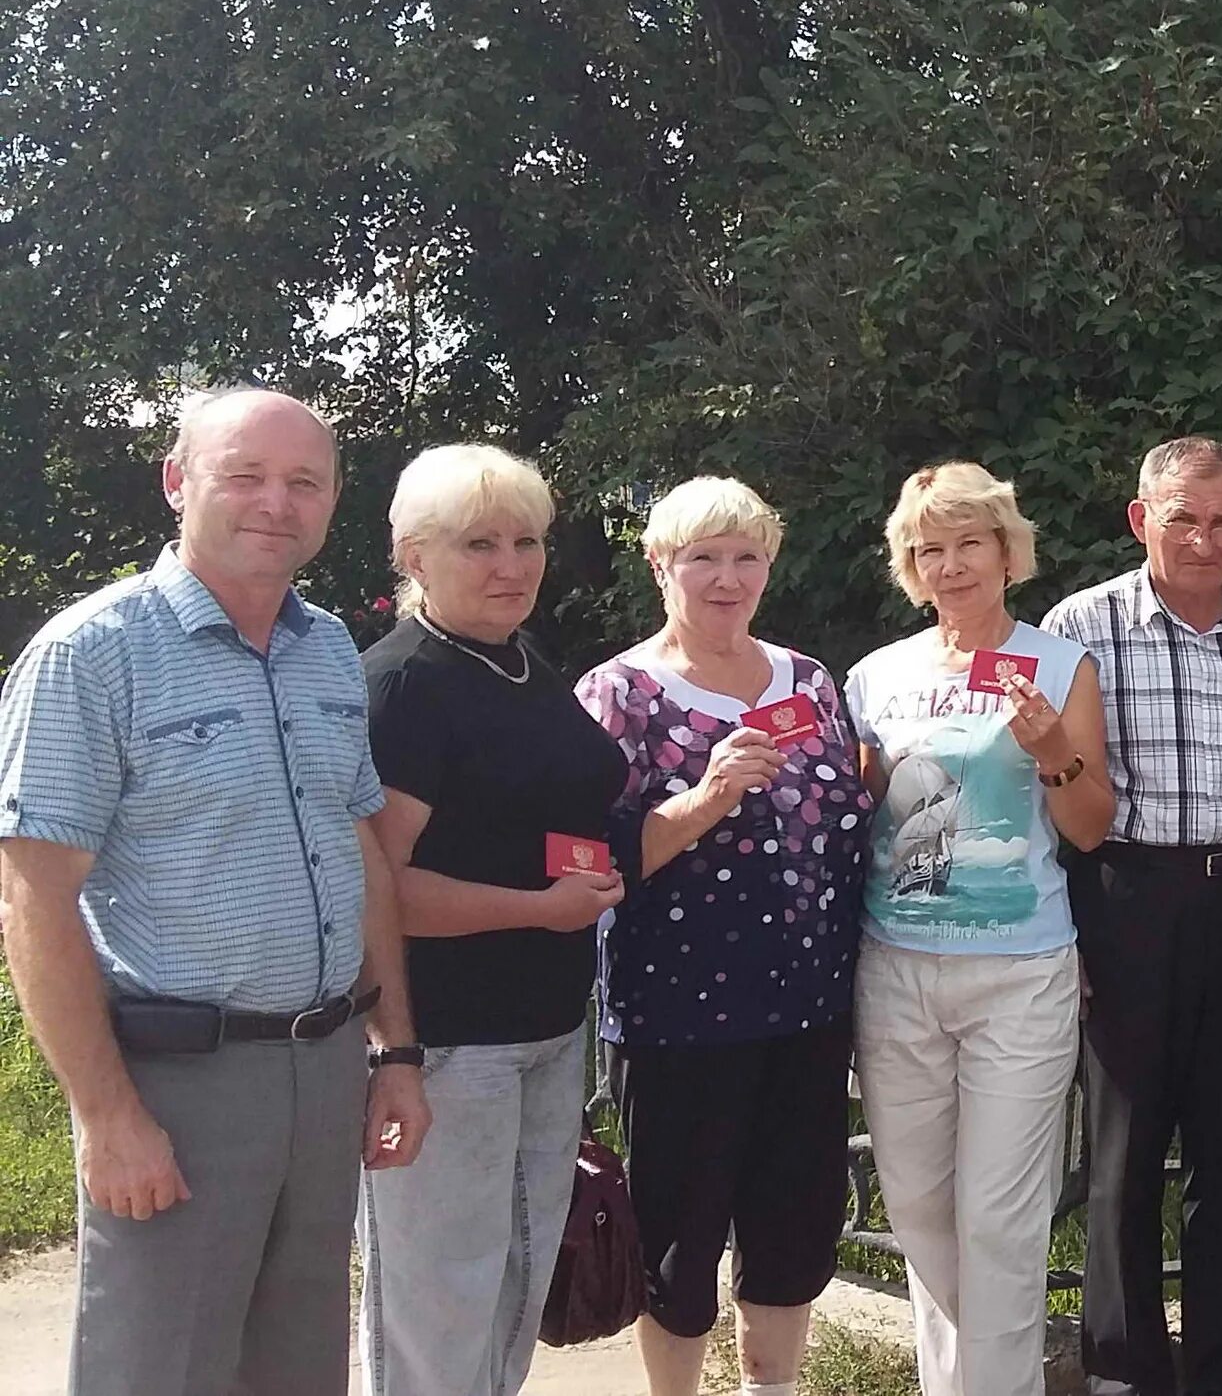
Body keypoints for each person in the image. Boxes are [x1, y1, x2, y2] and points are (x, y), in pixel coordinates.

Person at [0, 386, 427, 1396]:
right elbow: (33, 894)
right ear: (176, 482)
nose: (275, 502)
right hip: (179, 1083)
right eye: (245, 474)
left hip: (323, 1069)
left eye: (303, 482)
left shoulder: (326, 648)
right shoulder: (92, 654)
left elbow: (360, 848)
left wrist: (394, 1048)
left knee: (297, 1365)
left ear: (330, 504)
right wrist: (106, 1114)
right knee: (161, 1368)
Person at [1041, 437, 1222, 1396]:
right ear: (1142, 520)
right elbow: (1046, 790)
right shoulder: (1081, 625)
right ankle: (1125, 1372)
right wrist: (1068, 932)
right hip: (1125, 901)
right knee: (1123, 1154)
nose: (1205, 540)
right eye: (1184, 518)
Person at [577, 477, 875, 1396]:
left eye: (746, 556)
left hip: (809, 1009)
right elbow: (590, 863)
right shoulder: (618, 692)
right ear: (660, 564)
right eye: (702, 556)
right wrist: (706, 797)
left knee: (791, 1232)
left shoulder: (811, 680)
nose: (725, 577)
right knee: (678, 1238)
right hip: (676, 1017)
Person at [358, 444, 628, 1396]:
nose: (511, 565)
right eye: (480, 543)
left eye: (527, 541)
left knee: (513, 1281)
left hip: (547, 1029)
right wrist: (538, 909)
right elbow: (372, 884)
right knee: (437, 1294)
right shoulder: (404, 685)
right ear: (413, 553)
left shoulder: (519, 660)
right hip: (444, 1040)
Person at [847, 463, 1117, 1396]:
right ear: (911, 568)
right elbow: (860, 810)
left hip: (1019, 972)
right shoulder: (877, 674)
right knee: (921, 1213)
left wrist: (1053, 754)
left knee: (1001, 1220)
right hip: (896, 967)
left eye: (971, 543)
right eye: (931, 549)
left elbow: (1089, 823)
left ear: (1008, 554)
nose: (951, 563)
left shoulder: (1058, 663)